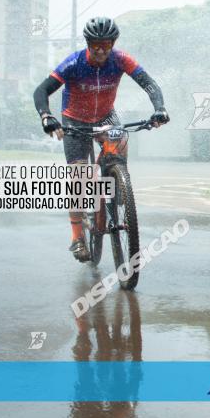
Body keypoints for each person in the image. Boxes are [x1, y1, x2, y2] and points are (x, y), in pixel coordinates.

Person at [33, 16, 169, 262]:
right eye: (95, 44)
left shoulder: (120, 59)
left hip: (105, 116)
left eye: (106, 45)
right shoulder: (73, 63)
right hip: (74, 120)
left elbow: (148, 83)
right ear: (88, 43)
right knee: (79, 176)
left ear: (113, 43)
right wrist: (46, 117)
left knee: (121, 142)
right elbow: (41, 90)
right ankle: (77, 237)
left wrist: (159, 108)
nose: (100, 50)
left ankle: (118, 184)